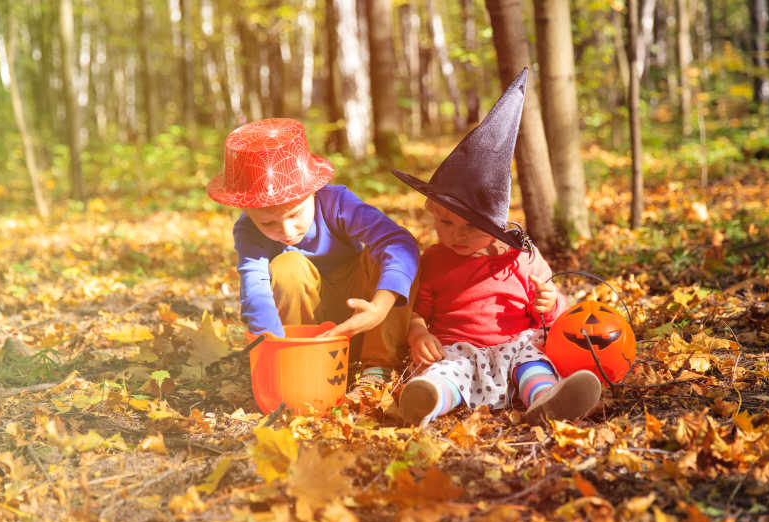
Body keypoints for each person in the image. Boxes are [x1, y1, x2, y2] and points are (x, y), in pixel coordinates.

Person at [391, 68, 601, 426]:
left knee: (532, 364)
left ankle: (547, 400)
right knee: (445, 373)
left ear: (496, 228)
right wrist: (418, 332)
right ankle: (426, 400)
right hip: (456, 348)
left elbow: (551, 312)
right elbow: (418, 309)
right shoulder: (435, 259)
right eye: (445, 223)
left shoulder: (521, 259)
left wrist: (552, 304)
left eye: (471, 227)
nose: (457, 236)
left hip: (513, 343)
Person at [207, 118, 419, 397]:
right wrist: (272, 346)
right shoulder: (247, 230)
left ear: (313, 191)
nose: (286, 231)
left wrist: (380, 307)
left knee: (388, 256)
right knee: (287, 266)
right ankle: (302, 366)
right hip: (310, 338)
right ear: (248, 213)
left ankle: (377, 369)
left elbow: (399, 242)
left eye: (295, 215)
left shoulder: (337, 203)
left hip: (366, 320)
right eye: (267, 224)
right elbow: (255, 287)